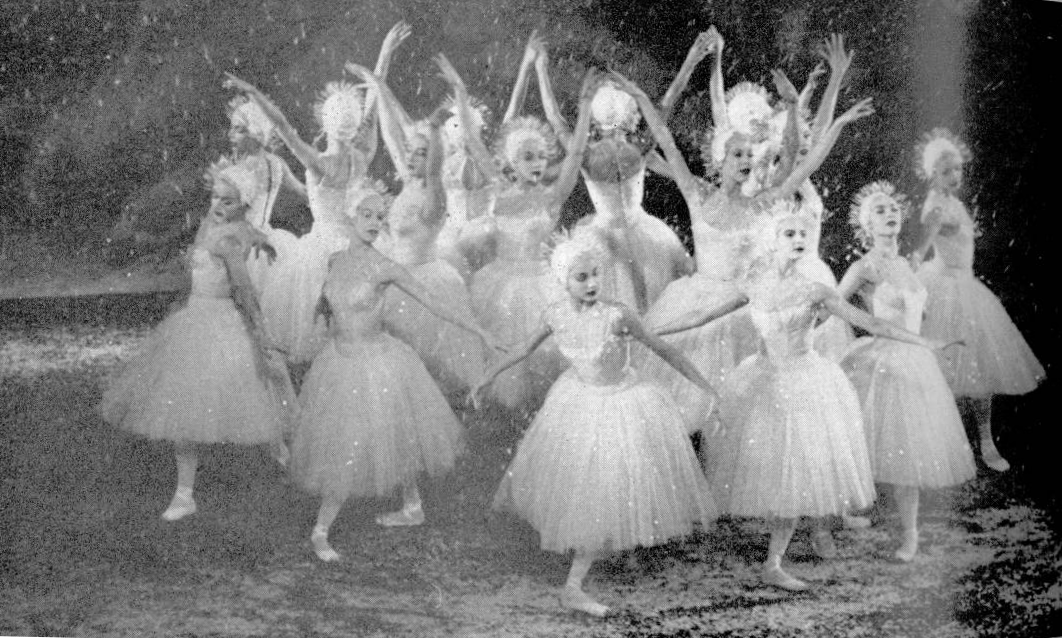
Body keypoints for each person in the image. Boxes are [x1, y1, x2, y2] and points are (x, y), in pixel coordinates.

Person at [659, 199, 956, 590]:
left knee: (798, 470)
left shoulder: (816, 291)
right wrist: (654, 331)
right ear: (773, 241)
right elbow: (703, 315)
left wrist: (927, 342)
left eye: (803, 233)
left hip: (806, 382)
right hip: (764, 382)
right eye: (790, 233)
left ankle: (777, 560)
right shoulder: (754, 283)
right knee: (773, 470)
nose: (799, 238)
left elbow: (871, 323)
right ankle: (787, 549)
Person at [612, 43, 874, 431]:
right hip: (700, 302)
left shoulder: (764, 203)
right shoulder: (698, 194)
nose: (746, 160)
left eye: (749, 155)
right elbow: (665, 139)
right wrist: (639, 97)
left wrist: (801, 109)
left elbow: (801, 158)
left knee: (749, 414)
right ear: (720, 159)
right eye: (737, 154)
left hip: (745, 305)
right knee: (688, 407)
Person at [472, 228, 717, 617]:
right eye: (581, 277)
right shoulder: (555, 315)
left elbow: (664, 349)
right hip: (579, 401)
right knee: (589, 488)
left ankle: (596, 566)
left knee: (617, 482)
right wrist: (488, 375)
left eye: (596, 275)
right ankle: (575, 583)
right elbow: (522, 349)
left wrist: (706, 387)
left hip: (623, 401)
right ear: (563, 280)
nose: (591, 284)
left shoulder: (617, 315)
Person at [289, 185, 498, 563]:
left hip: (376, 362)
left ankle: (321, 529)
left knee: (366, 439)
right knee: (369, 437)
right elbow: (330, 297)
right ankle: (412, 505)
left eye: (380, 217)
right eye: (367, 215)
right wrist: (321, 312)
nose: (375, 223)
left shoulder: (384, 266)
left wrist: (479, 331)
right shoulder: (336, 260)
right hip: (340, 359)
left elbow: (433, 301)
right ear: (350, 216)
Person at [100, 159, 294, 522]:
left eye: (227, 201)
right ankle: (185, 493)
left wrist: (262, 333)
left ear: (244, 205)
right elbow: (249, 231)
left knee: (248, 392)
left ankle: (279, 451)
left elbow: (245, 291)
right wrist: (262, 240)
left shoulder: (229, 240)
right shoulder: (216, 225)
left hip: (222, 322)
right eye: (215, 197)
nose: (217, 206)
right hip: (195, 317)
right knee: (187, 407)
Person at [223, 21, 408, 363]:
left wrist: (254, 93)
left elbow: (282, 126)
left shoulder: (319, 163)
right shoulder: (363, 153)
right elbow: (373, 101)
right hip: (354, 244)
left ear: (325, 122)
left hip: (322, 246)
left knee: (315, 327)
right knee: (352, 320)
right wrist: (385, 53)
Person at [447, 58, 598, 414]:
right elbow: (473, 141)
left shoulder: (553, 196)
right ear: (512, 162)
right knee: (503, 359)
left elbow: (576, 153)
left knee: (544, 359)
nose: (538, 164)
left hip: (541, 283)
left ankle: (541, 413)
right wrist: (460, 92)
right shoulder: (499, 190)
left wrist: (585, 108)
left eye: (542, 157)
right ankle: (503, 410)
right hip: (499, 284)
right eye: (528, 157)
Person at [839, 181, 975, 562]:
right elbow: (832, 305)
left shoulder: (906, 264)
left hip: (916, 365)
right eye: (880, 211)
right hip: (881, 362)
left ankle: (910, 534)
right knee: (864, 445)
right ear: (867, 225)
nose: (890, 214)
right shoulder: (863, 267)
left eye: (893, 209)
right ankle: (843, 510)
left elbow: (918, 311)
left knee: (909, 451)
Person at [345, 58, 486, 400]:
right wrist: (378, 85)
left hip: (427, 279)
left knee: (428, 363)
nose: (410, 157)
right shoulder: (410, 183)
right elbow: (393, 135)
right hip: (397, 273)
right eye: (412, 152)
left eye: (420, 154)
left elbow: (435, 170)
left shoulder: (434, 195)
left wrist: (438, 125)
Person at [530, 32, 702, 312]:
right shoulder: (638, 147)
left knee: (623, 305)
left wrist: (541, 69)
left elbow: (555, 118)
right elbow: (668, 101)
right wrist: (690, 61)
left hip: (617, 232)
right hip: (633, 233)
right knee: (643, 303)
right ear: (629, 114)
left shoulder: (587, 153)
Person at [910, 128, 1045, 472]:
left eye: (957, 169)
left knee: (978, 373)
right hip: (944, 290)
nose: (955, 176)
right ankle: (947, 449)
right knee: (947, 376)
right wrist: (909, 292)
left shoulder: (952, 202)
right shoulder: (935, 208)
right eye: (946, 171)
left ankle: (986, 443)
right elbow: (918, 253)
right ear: (932, 174)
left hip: (965, 287)